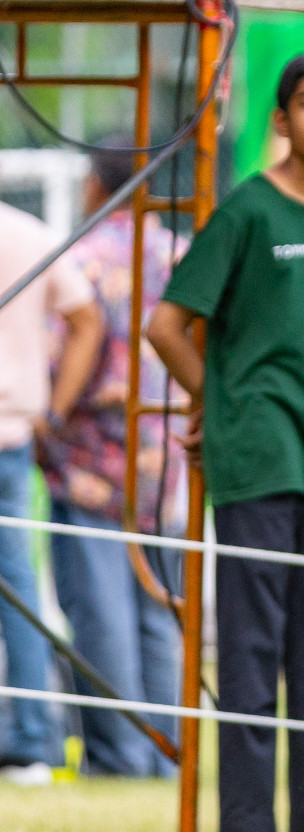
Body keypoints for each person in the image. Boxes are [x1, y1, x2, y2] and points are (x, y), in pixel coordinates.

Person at [146, 52, 304, 832]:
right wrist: (224, 403)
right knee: (249, 645)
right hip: (256, 459)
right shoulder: (246, 211)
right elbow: (166, 325)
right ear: (280, 119)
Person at [42, 145, 184, 778]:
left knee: (99, 614)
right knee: (158, 611)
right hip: (168, 459)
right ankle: (166, 756)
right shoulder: (180, 253)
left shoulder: (82, 260)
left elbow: (59, 352)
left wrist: (50, 414)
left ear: (96, 187)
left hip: (92, 456)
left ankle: (119, 756)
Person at [0, 199, 102, 784]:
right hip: (14, 430)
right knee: (18, 585)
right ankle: (33, 740)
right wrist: (54, 410)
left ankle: (33, 736)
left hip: (15, 432)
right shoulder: (28, 233)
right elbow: (85, 318)